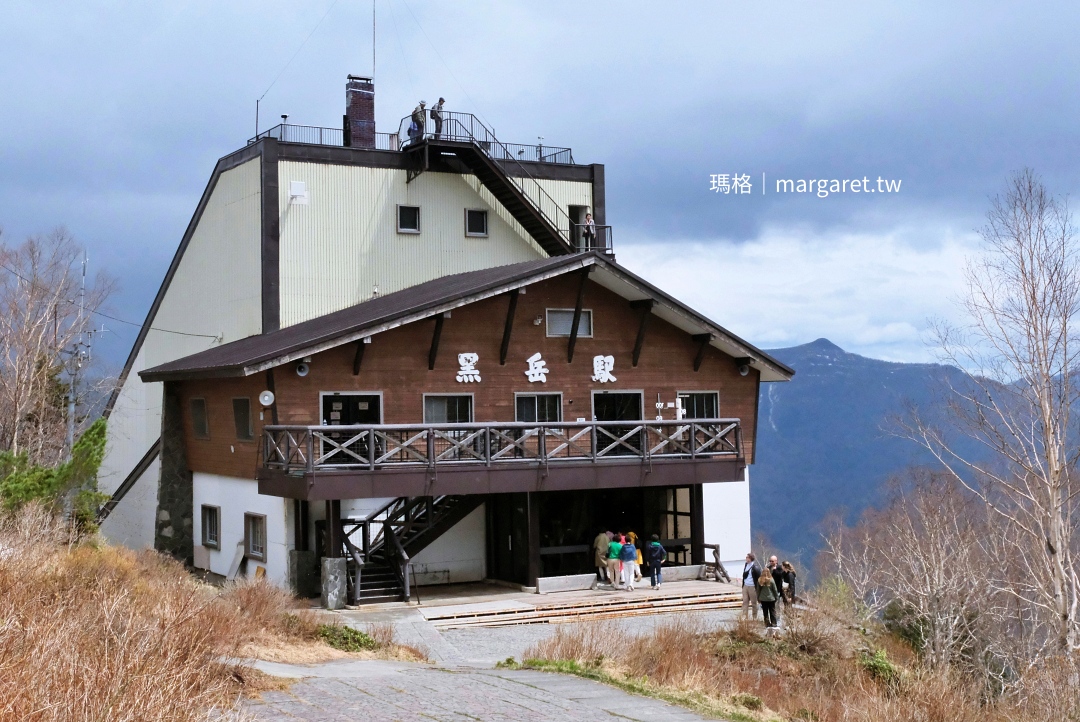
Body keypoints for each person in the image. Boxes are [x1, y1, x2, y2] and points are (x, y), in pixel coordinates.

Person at [741, 552, 761, 619]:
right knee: (745, 602)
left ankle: (754, 617)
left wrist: (758, 588)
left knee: (753, 603)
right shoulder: (746, 565)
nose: (746, 559)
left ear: (750, 558)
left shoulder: (755, 568)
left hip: (752, 586)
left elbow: (758, 578)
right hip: (745, 586)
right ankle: (744, 616)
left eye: (747, 557)